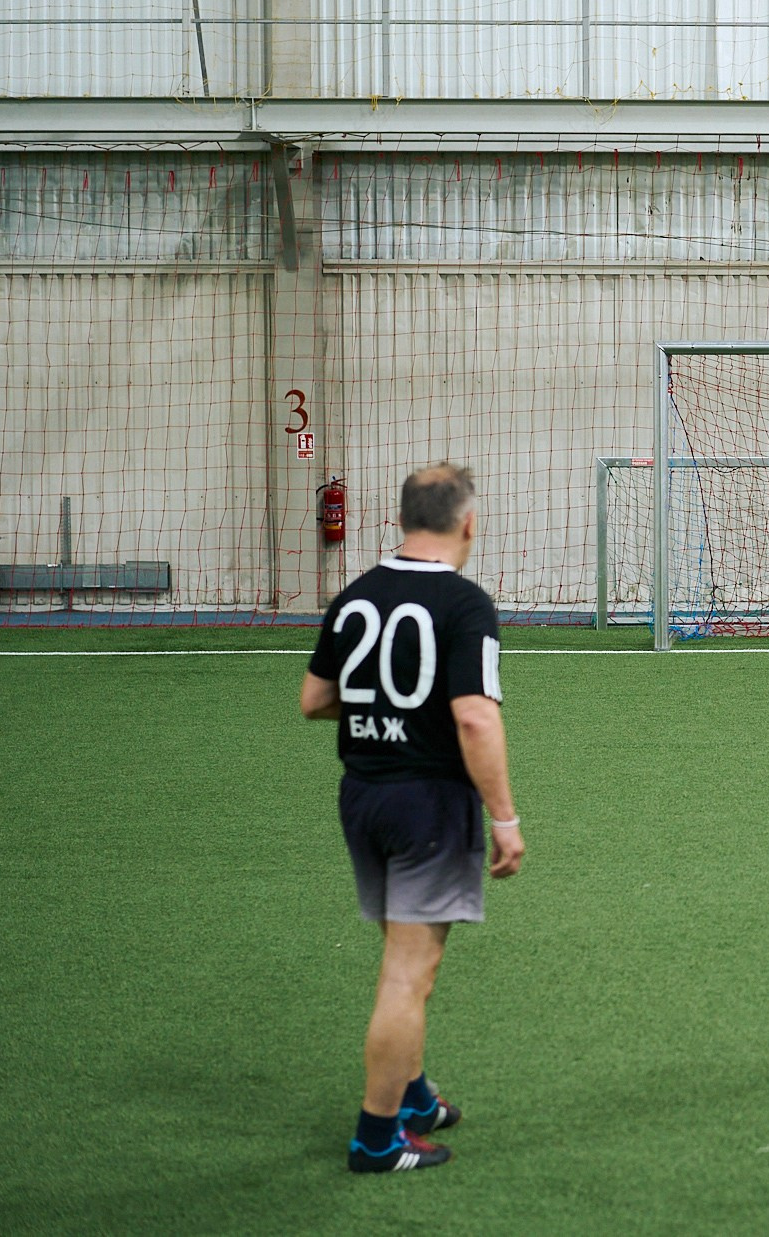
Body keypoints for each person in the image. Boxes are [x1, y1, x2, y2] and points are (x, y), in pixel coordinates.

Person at [300, 464, 525, 1174]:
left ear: (403, 519)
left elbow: (314, 699)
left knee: (404, 958)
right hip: (428, 803)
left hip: (362, 796)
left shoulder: (354, 595)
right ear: (468, 523)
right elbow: (473, 717)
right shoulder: (464, 603)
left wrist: (385, 711)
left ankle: (416, 1095)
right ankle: (376, 1137)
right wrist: (506, 817)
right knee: (408, 973)